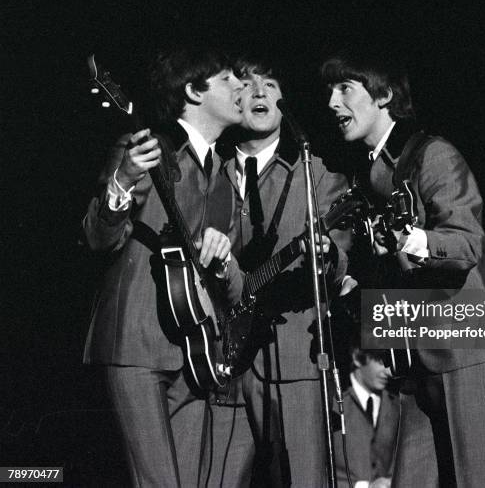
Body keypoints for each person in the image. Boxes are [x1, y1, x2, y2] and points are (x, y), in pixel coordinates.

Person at [321, 49, 485, 487]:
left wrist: (411, 240)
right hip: (410, 356)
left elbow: (466, 243)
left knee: (475, 478)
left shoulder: (432, 155)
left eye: (345, 89)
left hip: (465, 344)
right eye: (330, 91)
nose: (332, 102)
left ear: (384, 95)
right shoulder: (363, 174)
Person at [82, 44, 245, 487]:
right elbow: (99, 238)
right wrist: (123, 180)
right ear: (194, 91)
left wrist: (222, 253)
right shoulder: (145, 149)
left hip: (195, 348)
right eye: (229, 79)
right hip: (135, 343)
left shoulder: (226, 175)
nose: (242, 87)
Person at [213, 54, 352, 487]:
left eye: (269, 85)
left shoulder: (317, 178)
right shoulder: (207, 176)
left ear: (283, 102)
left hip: (291, 363)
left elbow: (339, 262)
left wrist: (326, 255)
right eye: (248, 84)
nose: (258, 92)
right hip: (216, 362)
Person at [333, 348, 399, 488]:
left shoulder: (397, 406)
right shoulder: (330, 405)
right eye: (381, 361)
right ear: (357, 357)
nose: (388, 371)